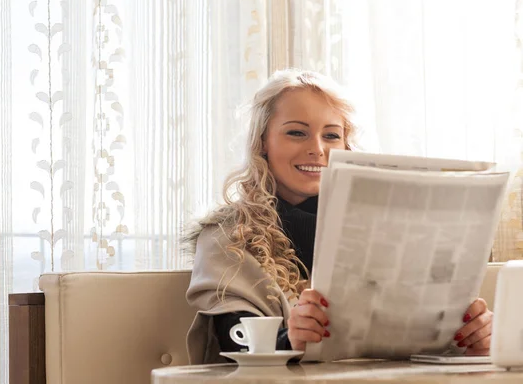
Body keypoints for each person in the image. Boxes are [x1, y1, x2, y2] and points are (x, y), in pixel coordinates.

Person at [183, 69, 493, 364]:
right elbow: (234, 345)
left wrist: (467, 337)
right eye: (296, 132)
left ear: (346, 145)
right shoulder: (226, 235)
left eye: (331, 136)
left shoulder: (385, 227)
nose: (317, 149)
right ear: (262, 141)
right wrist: (290, 340)